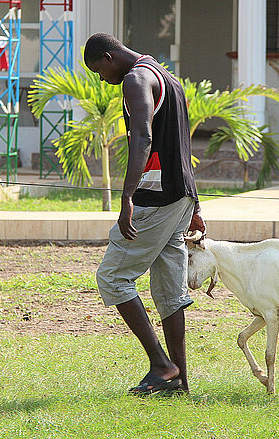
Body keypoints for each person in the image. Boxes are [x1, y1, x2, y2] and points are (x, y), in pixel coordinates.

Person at [86, 33, 206, 396]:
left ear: (109, 58)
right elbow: (183, 146)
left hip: (155, 198)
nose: (103, 80)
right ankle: (179, 381)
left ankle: (161, 364)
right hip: (179, 196)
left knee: (112, 277)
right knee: (170, 293)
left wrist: (126, 198)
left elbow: (143, 138)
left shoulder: (136, 79)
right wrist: (194, 205)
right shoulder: (166, 76)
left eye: (100, 72)